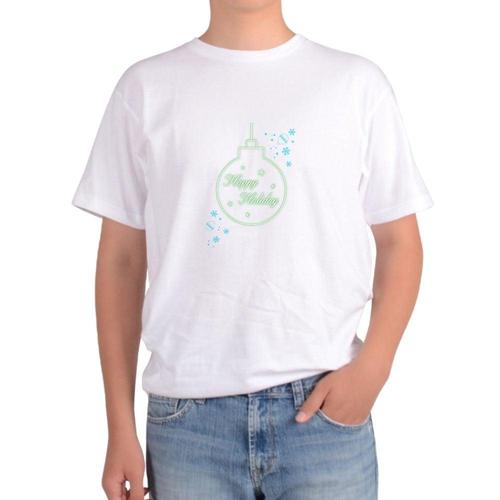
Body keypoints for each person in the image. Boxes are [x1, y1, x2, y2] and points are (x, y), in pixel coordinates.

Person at [71, 0, 433, 498]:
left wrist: (374, 367)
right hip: (187, 421)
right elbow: (121, 262)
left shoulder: (355, 85)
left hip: (324, 410)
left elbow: (399, 242)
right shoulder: (146, 88)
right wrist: (118, 425)